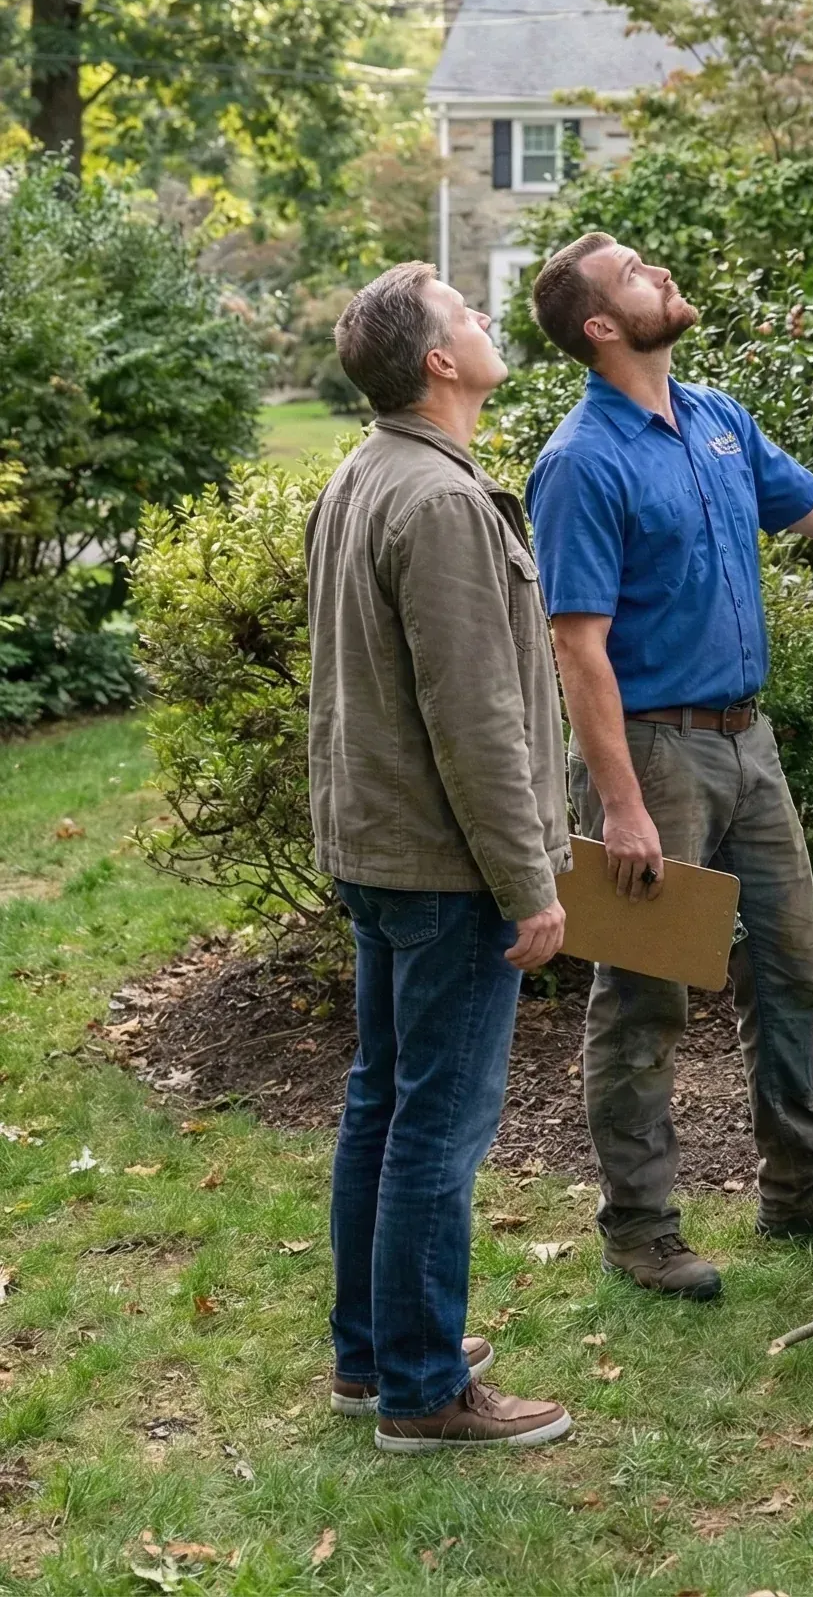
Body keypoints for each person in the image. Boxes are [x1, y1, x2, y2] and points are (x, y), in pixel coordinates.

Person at [524, 231, 813, 1300]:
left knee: (791, 968)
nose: (659, 273)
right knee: (643, 996)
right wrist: (622, 806)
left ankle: (804, 1188)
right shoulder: (582, 461)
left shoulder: (716, 419)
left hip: (748, 739)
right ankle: (641, 1228)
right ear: (601, 325)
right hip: (654, 752)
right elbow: (577, 647)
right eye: (634, 274)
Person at [306, 262, 574, 1451]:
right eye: (466, 312)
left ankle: (371, 1352)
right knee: (436, 1124)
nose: (485, 319)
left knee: (383, 1102)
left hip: (379, 849)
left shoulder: (365, 474)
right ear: (437, 361)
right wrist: (529, 882)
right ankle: (420, 1388)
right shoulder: (441, 501)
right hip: (443, 867)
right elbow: (476, 722)